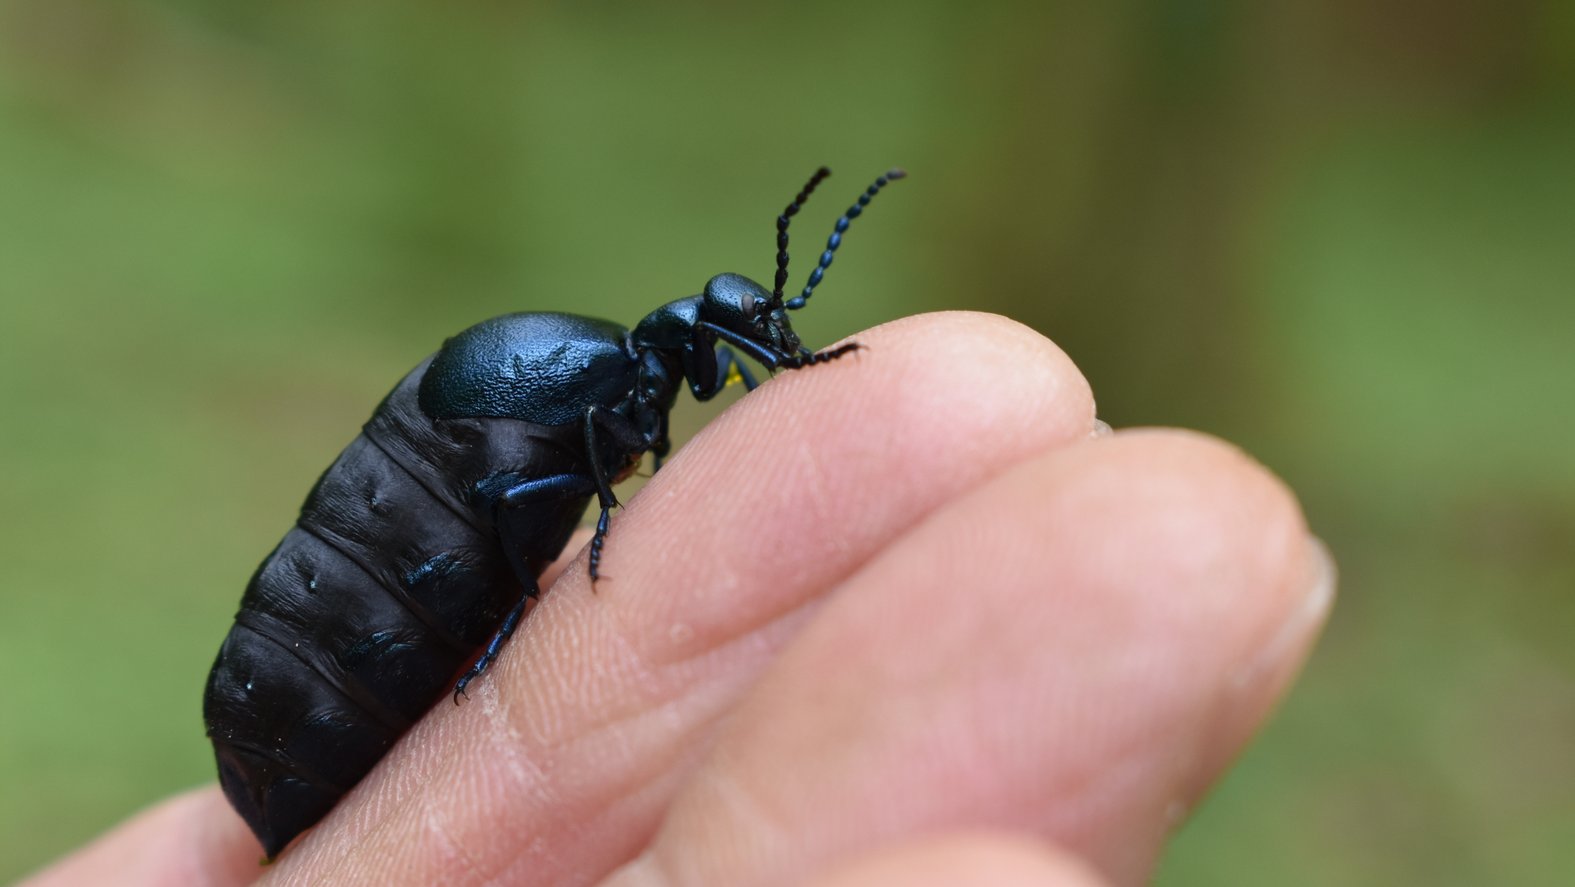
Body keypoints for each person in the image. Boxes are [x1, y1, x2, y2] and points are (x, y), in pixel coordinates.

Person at [22, 313, 1334, 887]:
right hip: (296, 697)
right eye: (758, 338)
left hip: (290, 692)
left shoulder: (605, 374)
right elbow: (514, 481)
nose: (768, 357)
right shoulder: (598, 371)